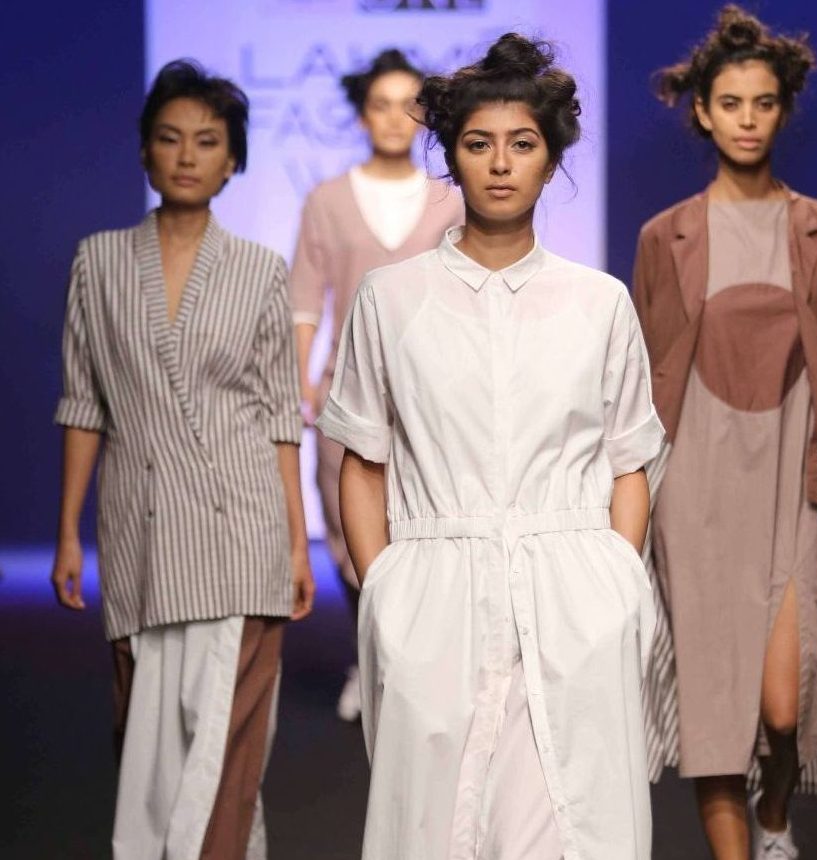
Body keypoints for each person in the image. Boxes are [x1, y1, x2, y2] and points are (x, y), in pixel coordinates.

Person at [316, 32, 664, 859]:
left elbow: (630, 460)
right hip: (435, 600)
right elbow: (362, 460)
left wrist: (618, 585)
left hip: (575, 600)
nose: (501, 164)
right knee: (434, 833)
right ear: (451, 156)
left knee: (571, 833)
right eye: (479, 144)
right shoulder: (391, 299)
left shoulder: (599, 303)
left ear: (552, 159)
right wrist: (385, 589)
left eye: (523, 144)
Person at [632, 7, 817, 860]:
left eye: (762, 102)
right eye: (730, 103)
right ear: (703, 112)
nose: (747, 119)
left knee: (787, 704)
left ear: (783, 110)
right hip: (696, 488)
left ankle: (776, 815)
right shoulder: (664, 236)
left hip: (795, 481)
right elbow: (644, 377)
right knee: (715, 707)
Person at [50, 59, 314, 860]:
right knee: (147, 745)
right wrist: (67, 533)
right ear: (144, 152)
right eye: (170, 138)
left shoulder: (260, 270)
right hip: (141, 528)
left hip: (240, 529)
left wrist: (297, 543)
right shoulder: (99, 262)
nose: (188, 155)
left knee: (223, 754)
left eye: (207, 140)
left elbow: (279, 413)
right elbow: (84, 403)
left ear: (233, 160)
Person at [288, 48, 463, 722]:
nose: (395, 118)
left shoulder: (449, 198)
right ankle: (371, 660)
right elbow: (306, 299)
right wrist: (301, 382)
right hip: (346, 392)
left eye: (408, 106)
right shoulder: (328, 200)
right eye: (381, 105)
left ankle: (415, 666)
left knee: (425, 528)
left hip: (432, 394)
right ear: (362, 115)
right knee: (348, 532)